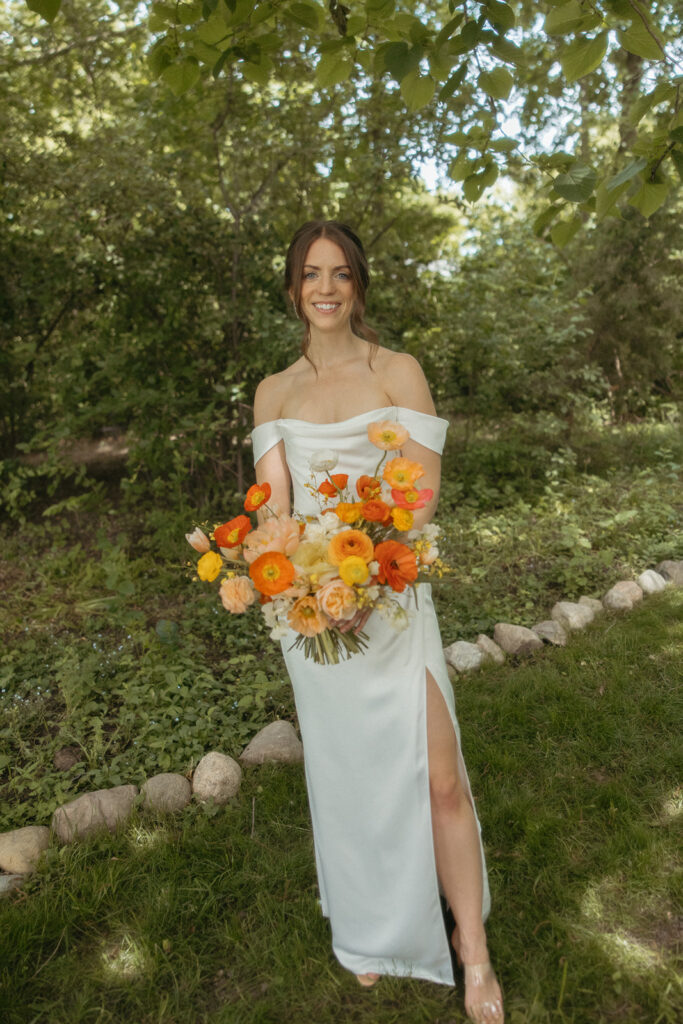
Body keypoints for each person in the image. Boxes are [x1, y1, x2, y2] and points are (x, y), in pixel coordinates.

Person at [250, 220, 504, 1023]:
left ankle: (472, 952)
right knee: (347, 784)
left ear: (358, 285)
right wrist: (290, 580)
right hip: (312, 618)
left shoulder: (398, 371)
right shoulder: (273, 392)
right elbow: (271, 511)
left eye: (340, 274)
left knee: (438, 778)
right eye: (310, 275)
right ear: (292, 288)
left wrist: (366, 574)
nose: (325, 288)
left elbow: (420, 497)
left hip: (390, 599)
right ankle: (369, 934)